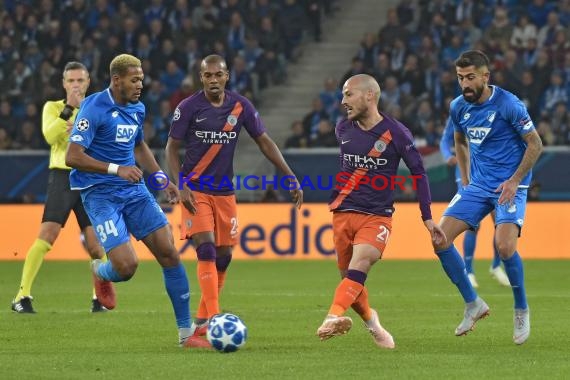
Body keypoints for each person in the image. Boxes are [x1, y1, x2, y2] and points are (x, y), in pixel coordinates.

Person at [65, 54, 209, 348]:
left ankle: (186, 334)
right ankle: (100, 271)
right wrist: (117, 169)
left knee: (169, 252)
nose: (140, 85)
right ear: (116, 80)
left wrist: (162, 180)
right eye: (134, 80)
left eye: (141, 79)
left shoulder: (137, 108)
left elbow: (139, 145)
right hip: (100, 193)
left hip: (133, 191)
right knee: (127, 267)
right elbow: (72, 157)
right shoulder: (94, 107)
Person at [165, 54, 303, 336]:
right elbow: (171, 148)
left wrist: (289, 174)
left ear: (227, 76)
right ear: (200, 78)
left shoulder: (240, 106)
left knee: (224, 256)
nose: (213, 80)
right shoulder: (188, 107)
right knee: (205, 247)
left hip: (225, 192)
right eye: (208, 75)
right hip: (195, 190)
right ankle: (215, 318)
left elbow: (263, 140)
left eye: (218, 75)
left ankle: (202, 321)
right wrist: (181, 184)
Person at [316, 74, 446, 348]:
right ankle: (372, 322)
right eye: (343, 95)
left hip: (376, 215)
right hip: (342, 213)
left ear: (369, 96)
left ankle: (331, 317)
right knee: (350, 282)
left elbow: (419, 173)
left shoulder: (397, 133)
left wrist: (427, 217)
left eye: (349, 94)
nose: (343, 101)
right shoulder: (343, 129)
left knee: (362, 262)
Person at [432, 50, 542, 345]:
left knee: (505, 247)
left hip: (510, 186)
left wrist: (515, 180)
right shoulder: (459, 107)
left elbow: (535, 144)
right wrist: (465, 181)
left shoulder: (509, 104)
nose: (464, 84)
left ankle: (521, 308)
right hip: (479, 185)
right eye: (459, 78)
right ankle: (473, 303)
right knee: (439, 238)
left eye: (470, 78)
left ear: (485, 76)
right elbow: (458, 139)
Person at [11, 61, 115, 314]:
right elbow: (50, 136)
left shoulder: (99, 108)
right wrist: (69, 109)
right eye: (71, 81)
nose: (76, 85)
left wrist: (80, 130)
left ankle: (98, 299)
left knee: (95, 244)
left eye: (81, 80)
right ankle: (21, 297)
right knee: (47, 235)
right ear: (64, 84)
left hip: (90, 178)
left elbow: (104, 141)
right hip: (63, 177)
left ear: (89, 82)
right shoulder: (53, 107)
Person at [440, 120, 510, 288]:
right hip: (466, 172)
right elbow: (445, 140)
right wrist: (447, 155)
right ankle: (469, 271)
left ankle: (496, 265)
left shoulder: (495, 111)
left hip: (490, 172)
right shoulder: (460, 111)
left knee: (500, 222)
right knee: (473, 224)